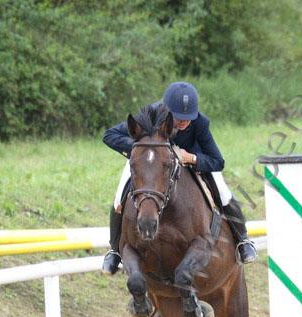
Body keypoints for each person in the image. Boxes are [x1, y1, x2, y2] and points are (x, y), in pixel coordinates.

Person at [102, 81, 257, 275]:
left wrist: (191, 158)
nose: (184, 123)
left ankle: (242, 240)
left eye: (188, 118)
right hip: (150, 161)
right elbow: (110, 135)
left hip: (190, 159)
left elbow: (218, 161)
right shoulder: (151, 115)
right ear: (167, 111)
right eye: (179, 118)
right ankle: (115, 250)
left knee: (223, 192)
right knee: (119, 197)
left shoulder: (200, 123)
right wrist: (144, 148)